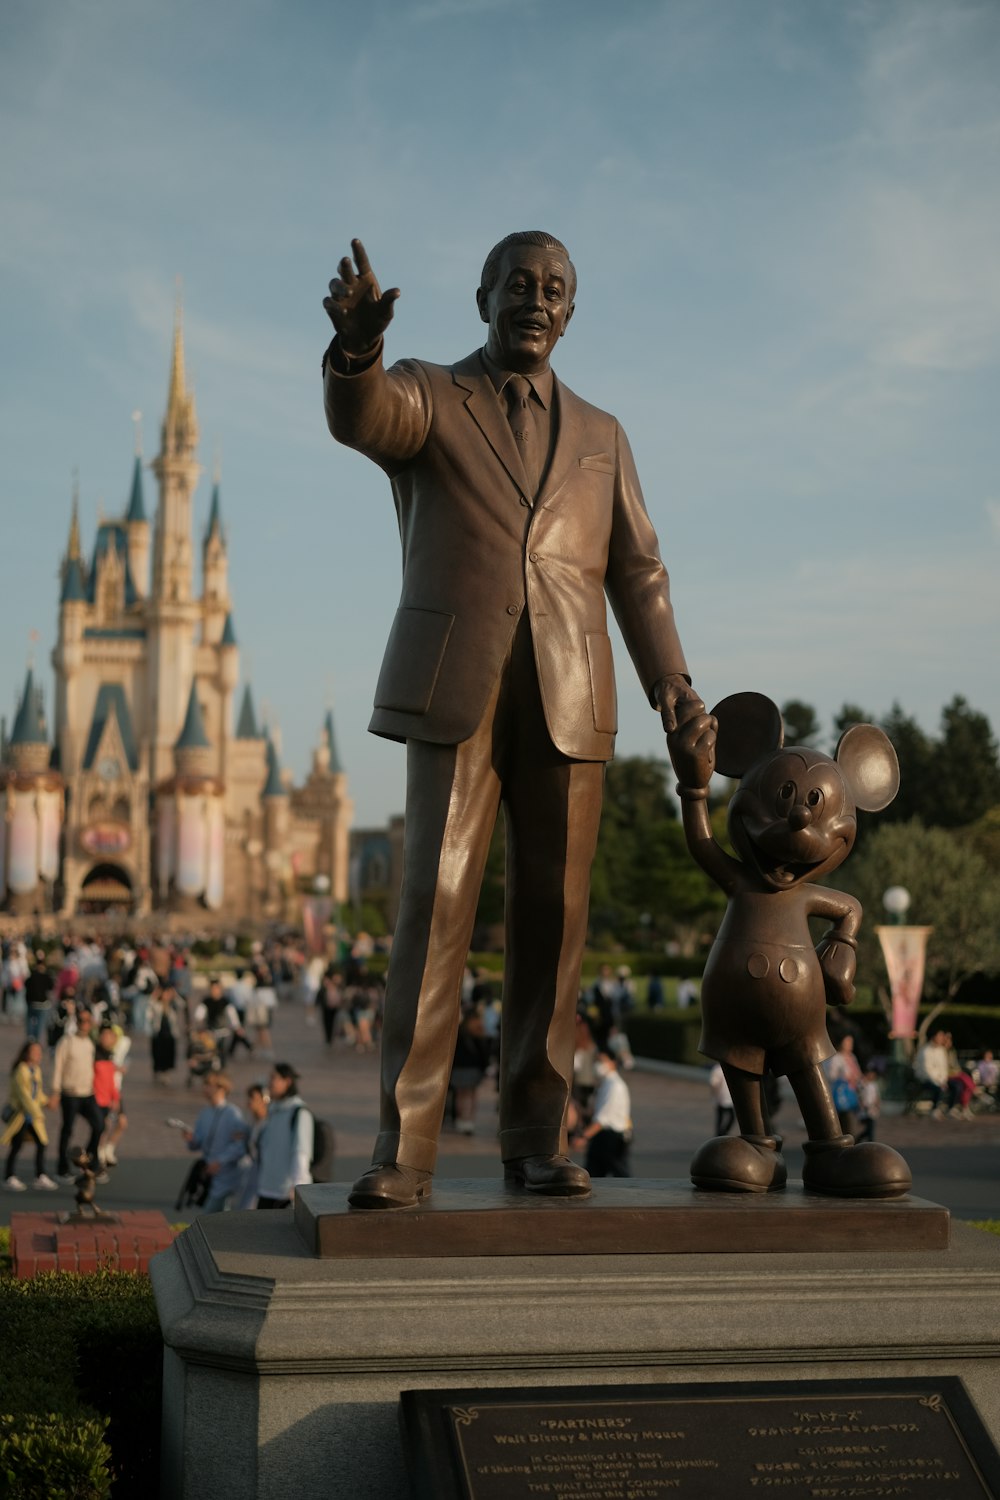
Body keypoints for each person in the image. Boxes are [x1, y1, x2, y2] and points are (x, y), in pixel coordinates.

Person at [323, 233, 701, 1209]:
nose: (538, 299)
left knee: (556, 922)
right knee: (432, 914)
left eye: (556, 289)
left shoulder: (603, 434)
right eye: (520, 284)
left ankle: (537, 1137)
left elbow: (637, 571)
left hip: (571, 694)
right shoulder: (426, 395)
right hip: (459, 684)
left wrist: (674, 684)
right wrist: (358, 352)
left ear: (571, 312)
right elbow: (362, 421)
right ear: (482, 294)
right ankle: (404, 1152)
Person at [50, 1007, 103, 1180]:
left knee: (99, 1125)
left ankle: (87, 1160)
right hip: (70, 1093)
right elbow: (57, 1067)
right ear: (77, 1022)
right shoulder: (66, 1041)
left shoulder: (90, 1043)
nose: (84, 1025)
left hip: (87, 1093)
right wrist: (55, 1092)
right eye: (81, 1021)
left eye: (88, 1021)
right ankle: (62, 1168)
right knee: (67, 1130)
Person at [183, 1073, 247, 1214]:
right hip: (209, 1175)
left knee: (212, 1216)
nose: (204, 1088)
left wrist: (220, 1161)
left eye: (209, 1085)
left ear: (221, 1089)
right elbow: (198, 1144)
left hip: (227, 1175)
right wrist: (191, 1139)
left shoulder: (233, 1113)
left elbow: (240, 1146)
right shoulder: (204, 1113)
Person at [255, 1063, 313, 1210]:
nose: (269, 1083)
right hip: (266, 1189)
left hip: (287, 1195)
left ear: (287, 1081)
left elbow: (301, 1153)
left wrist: (299, 1188)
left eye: (273, 1078)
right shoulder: (273, 1110)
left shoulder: (299, 1113)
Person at [3, 1040, 57, 1190]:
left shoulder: (36, 1070)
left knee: (42, 1143)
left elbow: (37, 1093)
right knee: (17, 1144)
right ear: (26, 1053)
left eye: (39, 1052)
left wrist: (46, 1102)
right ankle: (9, 1176)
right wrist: (38, 1113)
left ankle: (40, 1175)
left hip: (31, 1116)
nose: (38, 1055)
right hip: (20, 1116)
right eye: (35, 1052)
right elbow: (24, 1096)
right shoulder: (21, 1070)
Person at [572, 1048, 632, 1178]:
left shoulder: (614, 1086)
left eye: (602, 1061)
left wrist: (583, 1136)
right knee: (594, 1175)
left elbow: (602, 1119)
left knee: (622, 1177)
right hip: (602, 1137)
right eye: (597, 1061)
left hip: (612, 1138)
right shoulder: (604, 1084)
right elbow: (594, 1113)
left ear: (613, 1063)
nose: (598, 1065)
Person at [709, 1062, 735, 1136]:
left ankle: (720, 1133)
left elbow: (713, 1084)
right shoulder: (718, 1069)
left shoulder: (718, 1069)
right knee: (726, 1117)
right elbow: (714, 1085)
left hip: (725, 1098)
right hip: (722, 1098)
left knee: (722, 1117)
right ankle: (720, 1133)